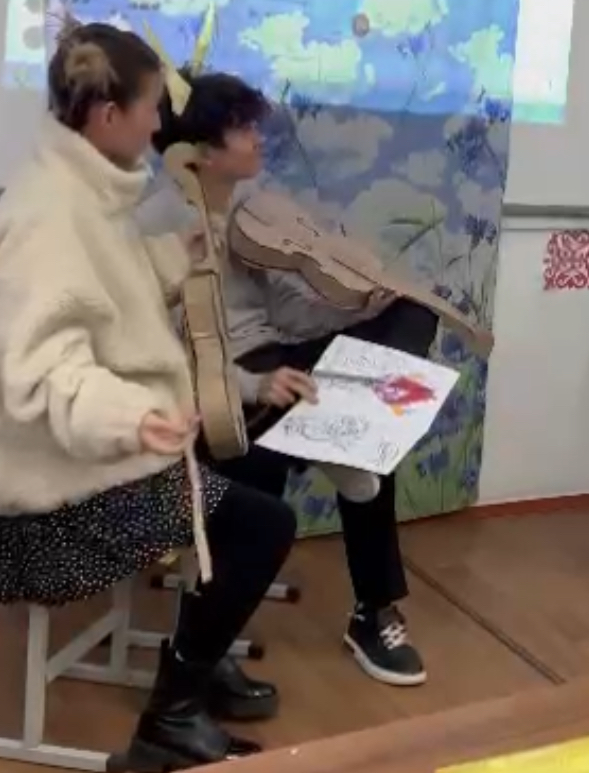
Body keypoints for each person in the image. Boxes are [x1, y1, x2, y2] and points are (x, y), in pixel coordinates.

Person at [0, 23, 296, 771]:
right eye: (149, 108)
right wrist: (134, 416)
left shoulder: (80, 196)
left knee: (249, 492)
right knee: (261, 526)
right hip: (42, 508)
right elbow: (46, 372)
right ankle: (172, 713)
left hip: (80, 464)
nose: (157, 123)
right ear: (109, 117)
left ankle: (194, 665)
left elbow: (101, 291)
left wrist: (171, 258)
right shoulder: (49, 217)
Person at [136, 70, 439, 688]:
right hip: (220, 389)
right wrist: (251, 386)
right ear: (203, 150)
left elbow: (288, 314)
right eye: (242, 128)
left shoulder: (249, 208)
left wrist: (357, 304)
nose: (258, 137)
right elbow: (161, 357)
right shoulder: (155, 225)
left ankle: (367, 590)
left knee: (411, 312)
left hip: (276, 356)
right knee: (351, 458)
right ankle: (371, 594)